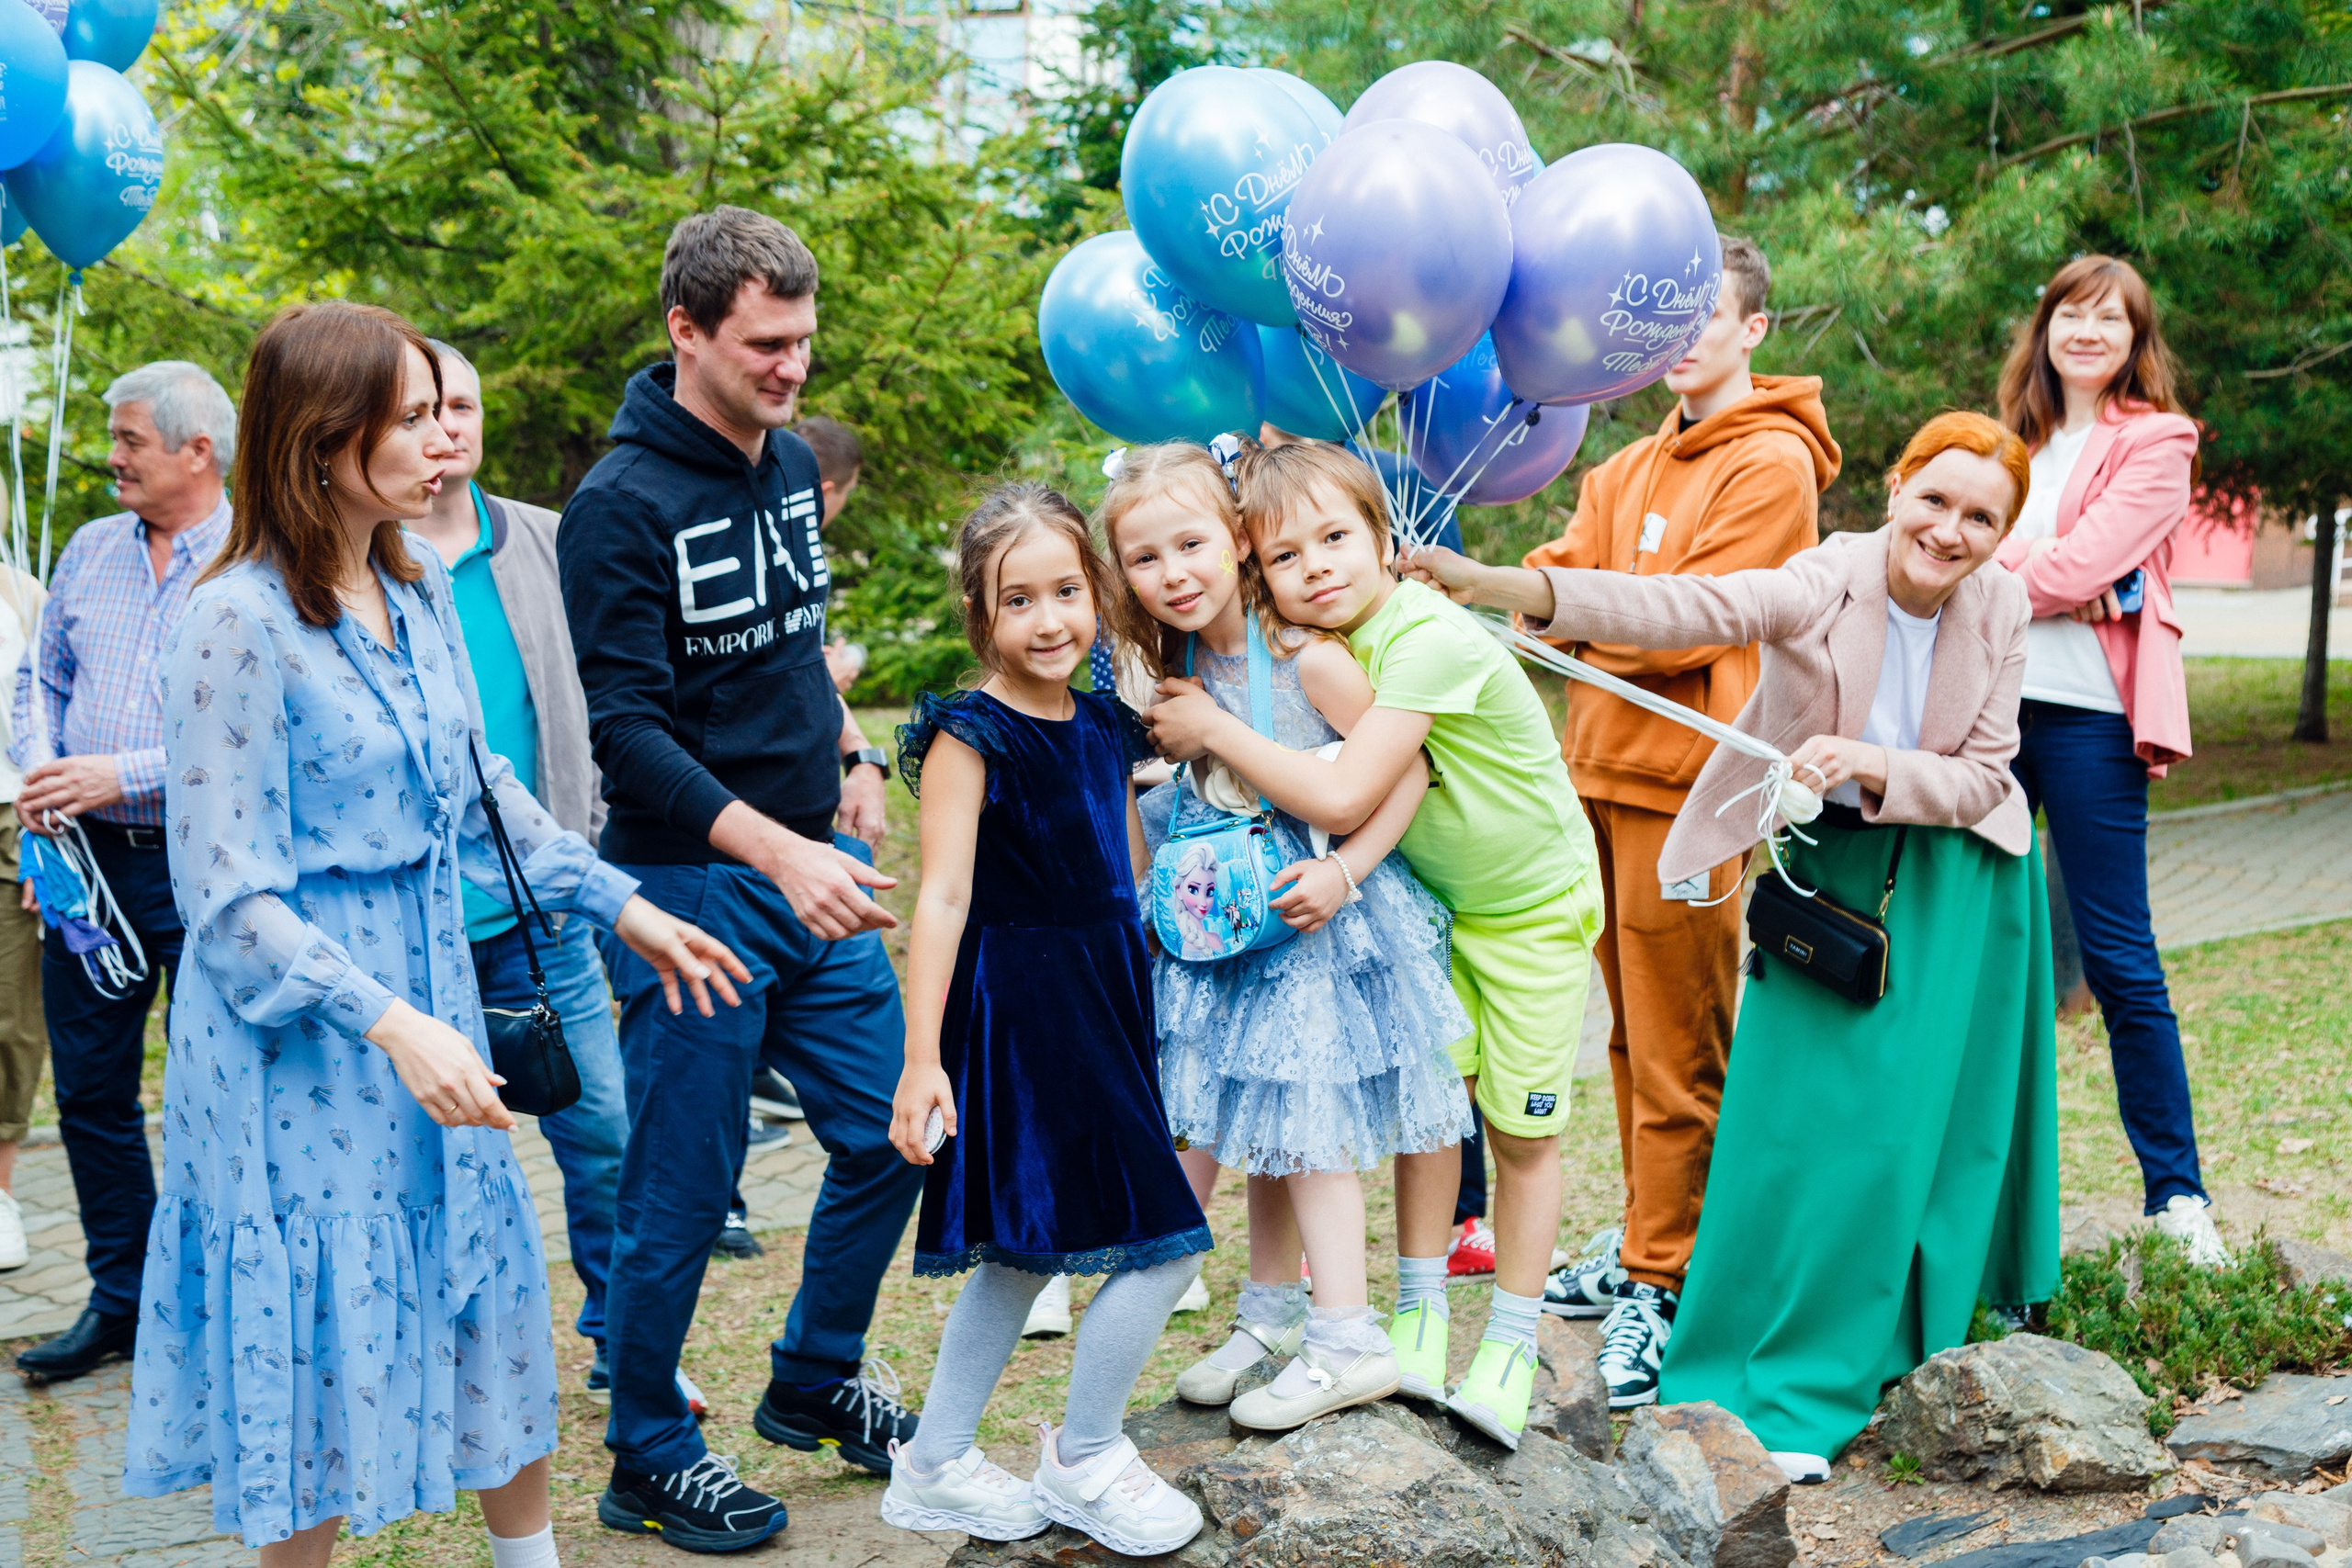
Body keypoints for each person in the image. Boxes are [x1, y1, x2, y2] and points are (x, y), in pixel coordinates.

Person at [123, 299, 750, 1564]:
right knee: (313, 1334)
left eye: (437, 413)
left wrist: (620, 901)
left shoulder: (411, 584)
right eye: (407, 419)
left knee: (488, 1302)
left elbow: (480, 794)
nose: (440, 440)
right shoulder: (233, 621)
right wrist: (392, 1024)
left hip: (436, 1007)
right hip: (302, 1052)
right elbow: (230, 902)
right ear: (321, 439)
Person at [1410, 410, 2059, 1480]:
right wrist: (1495, 584)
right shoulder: (1827, 577)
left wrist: (1866, 761)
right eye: (1935, 500)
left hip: (1959, 875)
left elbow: (1987, 775)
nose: (1950, 530)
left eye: (1980, 518)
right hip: (1831, 873)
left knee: (1906, 1126)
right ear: (1896, 490)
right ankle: (1750, 1356)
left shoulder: (2000, 604)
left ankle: (1891, 1339)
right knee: (1788, 1120)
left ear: (2002, 535)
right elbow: (1685, 606)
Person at [558, 205, 922, 1544]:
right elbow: (626, 736)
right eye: (766, 344)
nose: (791, 367)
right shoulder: (617, 508)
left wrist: (853, 752)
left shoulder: (788, 467)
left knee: (897, 1129)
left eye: (804, 340)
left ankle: (815, 1376)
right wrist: (776, 846)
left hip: (812, 867)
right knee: (679, 1195)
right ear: (687, 330)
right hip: (688, 894)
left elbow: (792, 649)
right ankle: (647, 1451)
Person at [1143, 439, 1604, 1453]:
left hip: (1529, 909)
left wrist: (1220, 735)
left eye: (1335, 539)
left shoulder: (1422, 638)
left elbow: (1355, 789)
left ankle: (1513, 1342)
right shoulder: (1326, 637)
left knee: (1520, 1132)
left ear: (1383, 537)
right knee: (1431, 1114)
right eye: (1286, 554)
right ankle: (1418, 1315)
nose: (1315, 568)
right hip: (1440, 902)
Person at [1517, 238, 1840, 1408]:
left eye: (1704, 314)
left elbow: (1690, 623)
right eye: (1662, 320)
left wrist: (1578, 615)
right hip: (1596, 775)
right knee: (1627, 1038)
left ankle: (1670, 1282)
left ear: (1753, 329)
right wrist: (1565, 604)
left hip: (1690, 794)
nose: (1681, 339)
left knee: (1681, 1049)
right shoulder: (1621, 467)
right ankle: (1648, 1240)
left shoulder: (1775, 464)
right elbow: (1554, 579)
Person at [1102, 442, 1472, 1430]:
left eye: (1190, 544)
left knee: (1307, 1126)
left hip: (1313, 923)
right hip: (1234, 929)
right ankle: (1269, 1316)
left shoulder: (1306, 655)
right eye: (1145, 558)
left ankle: (1347, 1336)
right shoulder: (1178, 663)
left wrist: (1346, 875)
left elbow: (1405, 772)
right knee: (1264, 1124)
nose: (1173, 573)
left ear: (1236, 538)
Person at [879, 483, 1208, 1555]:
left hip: (1108, 1000)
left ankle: (934, 1462)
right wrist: (921, 1059)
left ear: (1095, 594)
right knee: (1164, 1245)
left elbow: (1130, 875)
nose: (1048, 619)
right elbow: (942, 898)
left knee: (1026, 1250)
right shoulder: (969, 735)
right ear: (981, 614)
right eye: (1017, 599)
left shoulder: (1106, 725)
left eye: (1066, 591)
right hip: (1026, 1017)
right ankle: (1086, 1452)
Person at [406, 338, 646, 1408]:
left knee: (601, 1136)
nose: (448, 427)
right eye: (425, 411)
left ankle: (626, 1343)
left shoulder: (547, 539)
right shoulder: (361, 561)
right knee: (438, 1161)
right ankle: (451, 1363)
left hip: (541, 907)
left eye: (462, 405)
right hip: (412, 932)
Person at [6, 361, 235, 1382]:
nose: (112, 457)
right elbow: (39, 679)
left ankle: (216, 1308)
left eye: (130, 439)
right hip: (85, 868)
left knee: (210, 1092)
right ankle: (122, 1302)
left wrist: (121, 771)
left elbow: (254, 731)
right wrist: (42, 778)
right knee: (92, 1092)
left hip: (203, 866)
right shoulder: (91, 548)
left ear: (199, 450)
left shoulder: (256, 558)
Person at [1993, 255, 2222, 1266]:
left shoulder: (2158, 441)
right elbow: (1943, 544)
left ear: (2135, 341)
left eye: (2109, 319)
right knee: (1976, 955)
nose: (2086, 332)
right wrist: (2055, 577)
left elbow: (2077, 562)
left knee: (2121, 960)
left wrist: (2014, 569)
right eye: (2070, 315)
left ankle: (2178, 1197)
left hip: (2088, 718)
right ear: (2044, 329)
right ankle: (1969, 1199)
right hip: (1988, 717)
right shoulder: (2007, 444)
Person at [0, 560, 48, 1271]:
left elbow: (53, 716)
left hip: (12, 820)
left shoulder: (22, 592)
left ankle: (1, 1195)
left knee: (9, 1016)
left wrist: (47, 842)